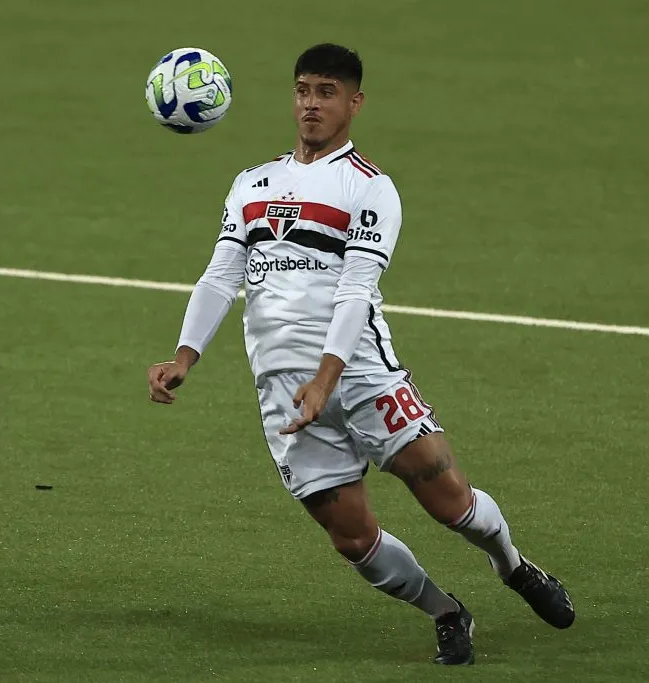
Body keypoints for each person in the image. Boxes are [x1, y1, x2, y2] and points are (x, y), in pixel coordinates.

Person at [148, 43, 574, 665]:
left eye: (326, 92)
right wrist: (184, 357)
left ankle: (512, 564)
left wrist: (326, 380)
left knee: (449, 500)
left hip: (361, 375)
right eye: (302, 91)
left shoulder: (370, 189)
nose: (311, 104)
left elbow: (355, 290)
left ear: (354, 102)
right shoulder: (251, 185)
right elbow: (220, 277)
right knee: (351, 537)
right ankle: (447, 612)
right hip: (282, 391)